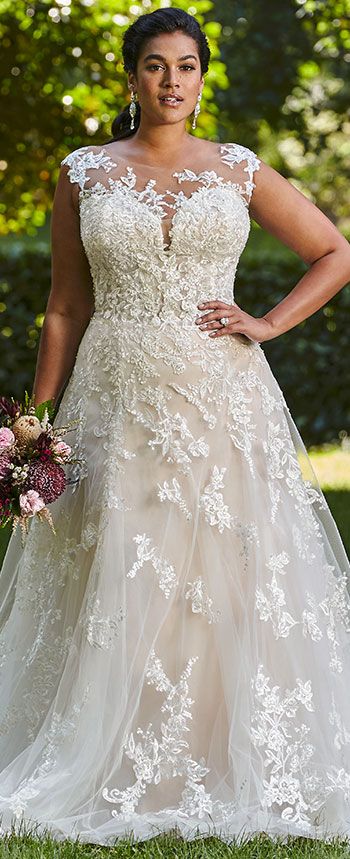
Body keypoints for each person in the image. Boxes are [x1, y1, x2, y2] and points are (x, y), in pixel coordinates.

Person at [0, 5, 350, 849]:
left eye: (187, 66)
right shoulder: (84, 171)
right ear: (131, 77)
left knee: (221, 571)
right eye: (155, 66)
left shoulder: (236, 168)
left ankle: (212, 749)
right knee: (121, 563)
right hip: (114, 394)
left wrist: (266, 322)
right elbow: (64, 304)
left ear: (202, 78)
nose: (172, 82)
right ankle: (112, 746)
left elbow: (334, 251)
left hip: (219, 396)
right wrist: (36, 422)